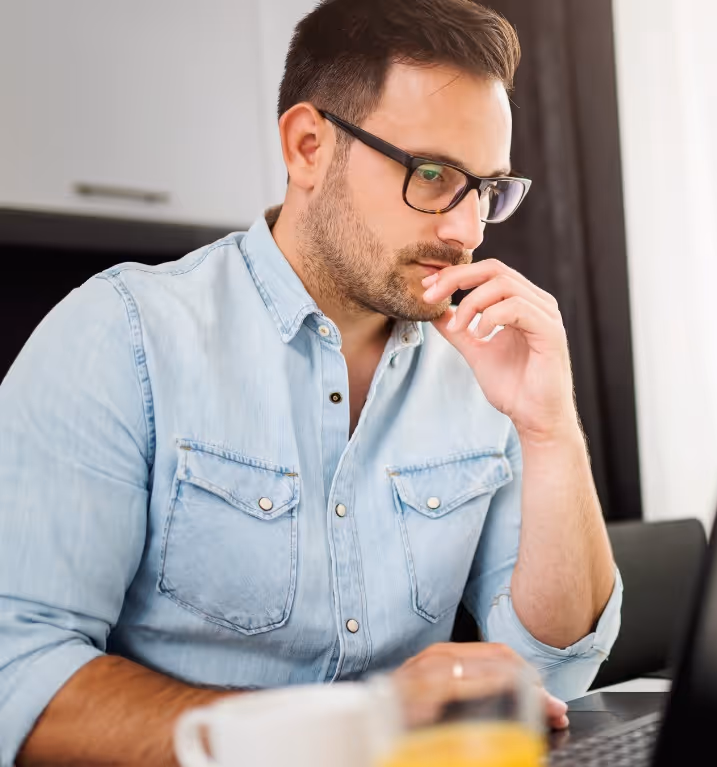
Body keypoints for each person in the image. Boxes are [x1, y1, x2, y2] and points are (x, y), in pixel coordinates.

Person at [0, 1, 621, 764]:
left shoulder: (480, 366)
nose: (465, 230)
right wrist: (357, 724)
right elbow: (17, 678)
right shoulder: (122, 335)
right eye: (431, 175)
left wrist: (549, 428)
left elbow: (555, 670)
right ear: (307, 147)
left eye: (486, 189)